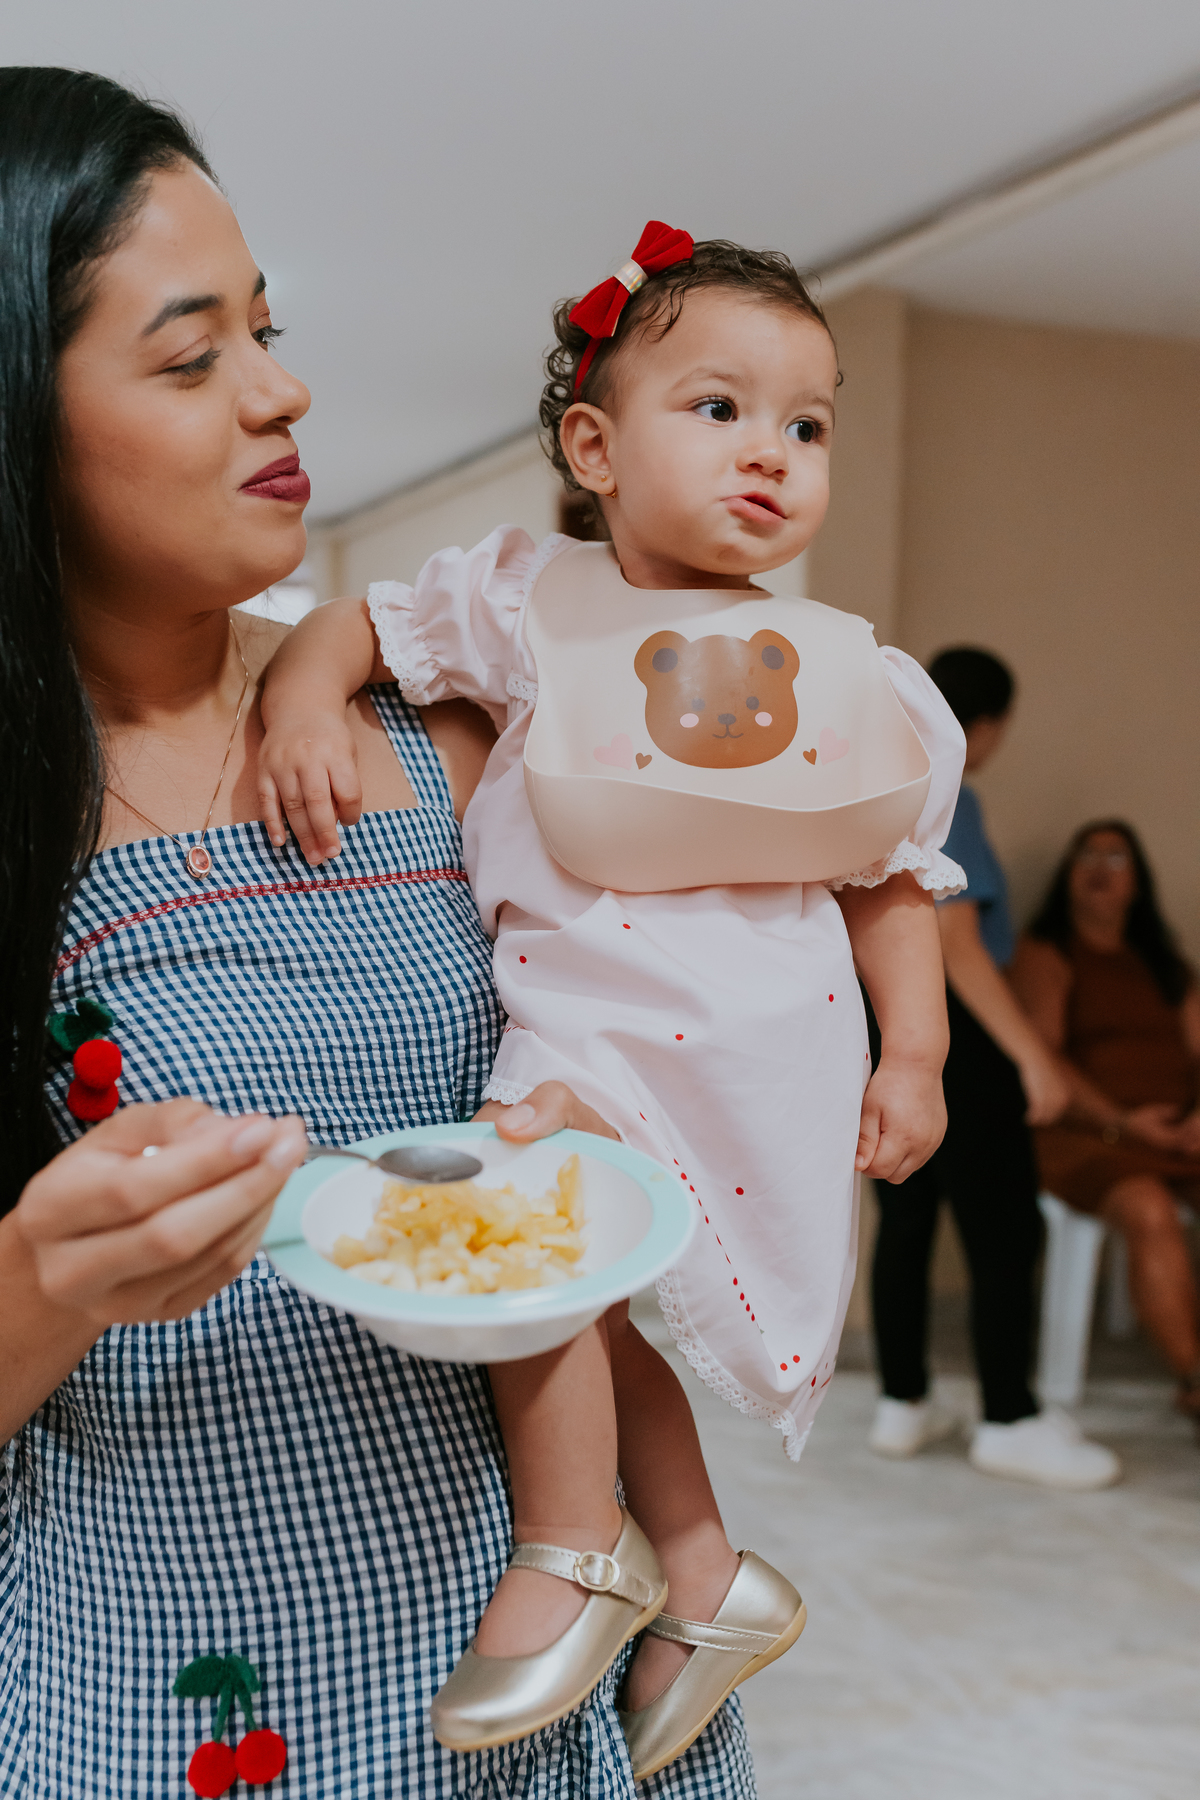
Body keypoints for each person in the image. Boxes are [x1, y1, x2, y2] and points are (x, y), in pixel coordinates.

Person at [0, 69, 757, 1800]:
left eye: (264, 327)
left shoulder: (442, 724)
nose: (283, 387)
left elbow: (686, 1024)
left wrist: (644, 1129)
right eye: (191, 359)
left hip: (533, 1642)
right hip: (171, 1675)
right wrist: (48, 1278)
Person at [258, 224, 968, 1773]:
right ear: (594, 443)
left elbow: (895, 876)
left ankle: (627, 1557)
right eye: (718, 409)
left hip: (761, 1055)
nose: (770, 454)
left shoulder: (851, 673)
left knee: (582, 1277)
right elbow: (355, 623)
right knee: (547, 1258)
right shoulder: (531, 601)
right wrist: (304, 697)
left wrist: (913, 1052)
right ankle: (637, 1554)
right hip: (584, 1035)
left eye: (808, 423)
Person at [868, 648, 1119, 1488]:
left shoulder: (877, 778)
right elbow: (955, 936)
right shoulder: (950, 787)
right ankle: (1009, 1417)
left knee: (907, 1220)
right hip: (959, 1039)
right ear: (989, 726)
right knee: (1007, 1228)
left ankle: (903, 1403)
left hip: (884, 1026)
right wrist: (1033, 1058)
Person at [1011, 821, 1200, 1421]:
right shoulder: (1046, 955)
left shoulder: (1165, 967)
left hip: (1178, 1132)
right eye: (1085, 854)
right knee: (1147, 1206)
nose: (1099, 865)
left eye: (1116, 856)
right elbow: (1045, 1058)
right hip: (1087, 1136)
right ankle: (1194, 1380)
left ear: (1138, 883)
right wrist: (1123, 1123)